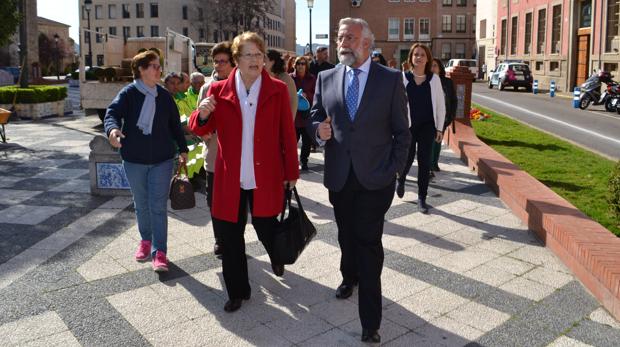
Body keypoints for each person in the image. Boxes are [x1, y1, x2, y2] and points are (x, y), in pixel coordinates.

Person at [311, 18, 410, 343]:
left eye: (349, 37)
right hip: (340, 177)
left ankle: (371, 321)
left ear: (367, 42)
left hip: (375, 179)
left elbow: (402, 133)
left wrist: (394, 169)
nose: (343, 42)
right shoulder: (325, 78)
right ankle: (347, 276)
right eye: (340, 37)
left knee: (369, 243)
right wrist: (317, 131)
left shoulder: (390, 80)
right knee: (346, 236)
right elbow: (315, 115)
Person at [189, 32, 299, 313]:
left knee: (266, 225)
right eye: (248, 55)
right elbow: (199, 128)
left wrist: (292, 172)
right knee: (229, 235)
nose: (255, 60)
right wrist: (201, 114)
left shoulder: (276, 90)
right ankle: (238, 291)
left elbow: (287, 134)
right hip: (229, 176)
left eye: (259, 55)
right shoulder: (218, 90)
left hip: (266, 175)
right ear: (237, 60)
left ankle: (276, 253)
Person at [104, 51, 188, 272]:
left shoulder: (164, 96)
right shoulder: (129, 93)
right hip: (134, 159)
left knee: (158, 206)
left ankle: (159, 252)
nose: (159, 70)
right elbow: (112, 113)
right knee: (141, 203)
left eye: (159, 66)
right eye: (154, 66)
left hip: (162, 159)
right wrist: (112, 130)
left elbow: (174, 125)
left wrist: (183, 149)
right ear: (140, 70)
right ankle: (145, 240)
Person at [396, 43, 446, 214]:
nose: (419, 57)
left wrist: (439, 128)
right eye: (415, 54)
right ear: (410, 58)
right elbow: (396, 105)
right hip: (408, 126)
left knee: (424, 162)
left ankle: (421, 198)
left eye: (422, 55)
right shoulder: (402, 78)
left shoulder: (434, 79)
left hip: (427, 126)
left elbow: (440, 105)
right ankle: (401, 179)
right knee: (407, 158)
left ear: (427, 58)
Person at [196, 41, 235, 256]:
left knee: (235, 202)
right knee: (213, 200)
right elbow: (198, 118)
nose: (219, 65)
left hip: (235, 156)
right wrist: (202, 131)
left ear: (232, 62)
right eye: (216, 61)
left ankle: (233, 237)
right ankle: (219, 239)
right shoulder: (206, 87)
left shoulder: (241, 85)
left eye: (223, 61)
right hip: (212, 154)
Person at [430, 58, 457, 175]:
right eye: (430, 66)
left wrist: (451, 116)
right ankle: (429, 165)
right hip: (429, 118)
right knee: (430, 142)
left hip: (443, 117)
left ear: (440, 68)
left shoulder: (447, 82)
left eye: (435, 65)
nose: (432, 68)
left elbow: (453, 100)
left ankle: (434, 162)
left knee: (438, 141)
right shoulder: (427, 80)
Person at [290, 56, 316, 171]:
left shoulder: (312, 78)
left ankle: (304, 161)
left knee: (306, 142)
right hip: (294, 116)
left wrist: (307, 95)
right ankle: (291, 163)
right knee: (291, 142)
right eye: (298, 64)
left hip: (306, 116)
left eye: (303, 63)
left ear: (306, 65)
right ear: (295, 65)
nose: (300, 66)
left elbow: (316, 94)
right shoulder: (290, 78)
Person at [265, 49, 297, 120]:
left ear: (272, 62)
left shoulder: (286, 79)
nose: (262, 64)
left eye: (265, 60)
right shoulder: (265, 77)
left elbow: (292, 105)